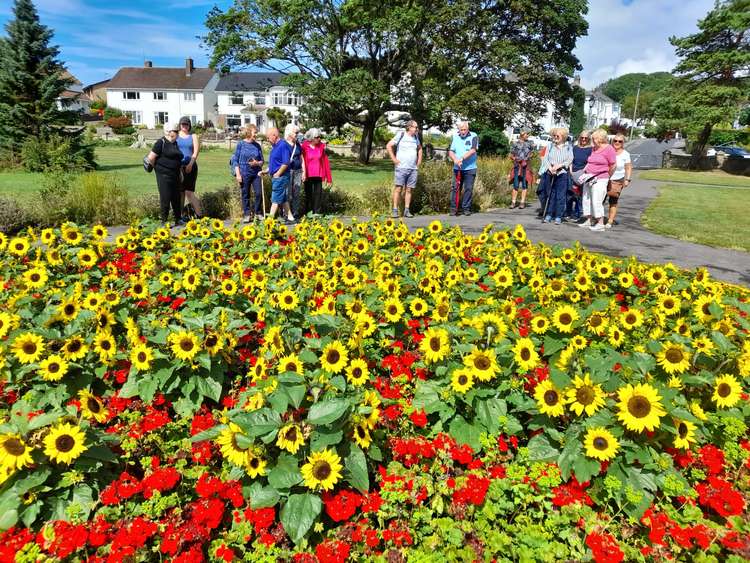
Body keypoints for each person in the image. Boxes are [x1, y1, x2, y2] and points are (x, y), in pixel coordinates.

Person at [577, 128, 616, 232]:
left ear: (600, 138)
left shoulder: (609, 149)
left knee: (596, 200)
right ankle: (589, 219)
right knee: (586, 199)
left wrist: (608, 175)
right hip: (589, 177)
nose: (592, 140)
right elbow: (590, 161)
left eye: (594, 138)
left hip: (600, 178)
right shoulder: (594, 148)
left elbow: (613, 165)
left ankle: (600, 222)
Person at [146, 122, 183, 226]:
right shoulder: (160, 143)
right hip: (164, 175)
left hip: (175, 174)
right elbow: (150, 158)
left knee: (176, 198)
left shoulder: (175, 143)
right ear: (168, 132)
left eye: (177, 131)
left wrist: (180, 172)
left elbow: (177, 159)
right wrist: (157, 170)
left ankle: (178, 219)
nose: (177, 133)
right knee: (165, 197)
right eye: (175, 131)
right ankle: (164, 221)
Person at [386, 120, 422, 218]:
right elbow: (389, 145)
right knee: (398, 189)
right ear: (409, 127)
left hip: (412, 169)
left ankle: (406, 210)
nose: (417, 129)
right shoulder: (401, 135)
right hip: (401, 168)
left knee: (409, 190)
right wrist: (394, 159)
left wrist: (419, 161)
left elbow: (419, 148)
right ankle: (395, 210)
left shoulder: (416, 137)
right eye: (416, 127)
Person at [538, 128, 573, 225]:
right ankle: (549, 214)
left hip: (562, 173)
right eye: (554, 135)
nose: (555, 137)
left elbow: (570, 159)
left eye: (558, 136)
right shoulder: (550, 146)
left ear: (563, 137)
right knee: (550, 195)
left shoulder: (569, 147)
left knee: (560, 196)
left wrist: (559, 165)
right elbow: (545, 158)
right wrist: (550, 168)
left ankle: (558, 216)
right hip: (550, 172)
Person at [232, 125, 264, 223]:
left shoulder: (257, 145)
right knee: (245, 194)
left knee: (258, 193)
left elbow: (262, 160)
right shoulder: (240, 144)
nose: (256, 134)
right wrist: (238, 174)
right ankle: (247, 214)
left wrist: (257, 163)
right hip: (244, 173)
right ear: (249, 132)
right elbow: (235, 160)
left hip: (256, 173)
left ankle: (258, 213)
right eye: (255, 132)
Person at [263, 126, 295, 223]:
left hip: (281, 177)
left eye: (268, 137)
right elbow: (275, 163)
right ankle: (290, 217)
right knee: (283, 198)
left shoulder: (283, 145)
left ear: (274, 135)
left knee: (275, 198)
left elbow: (285, 162)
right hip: (277, 176)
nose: (267, 140)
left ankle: (269, 221)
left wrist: (277, 173)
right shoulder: (275, 147)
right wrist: (266, 171)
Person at [448, 121, 479, 216]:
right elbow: (451, 151)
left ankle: (466, 208)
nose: (463, 131)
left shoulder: (474, 135)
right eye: (461, 130)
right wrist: (455, 160)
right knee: (455, 188)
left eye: (465, 129)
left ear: (468, 129)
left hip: (470, 168)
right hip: (458, 168)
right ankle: (454, 208)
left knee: (468, 188)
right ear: (459, 130)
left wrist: (462, 158)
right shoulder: (455, 137)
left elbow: (473, 150)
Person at [300, 128, 332, 216]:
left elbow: (325, 162)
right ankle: (308, 214)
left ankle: (316, 214)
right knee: (308, 195)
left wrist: (329, 178)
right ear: (311, 138)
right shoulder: (304, 146)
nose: (319, 139)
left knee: (318, 195)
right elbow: (301, 160)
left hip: (318, 174)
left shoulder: (321, 146)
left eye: (320, 137)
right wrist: (303, 173)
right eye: (317, 137)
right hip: (308, 175)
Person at [176, 117, 203, 219]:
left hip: (191, 166)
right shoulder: (176, 135)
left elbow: (196, 152)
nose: (184, 126)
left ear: (189, 125)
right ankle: (180, 216)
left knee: (189, 192)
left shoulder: (193, 136)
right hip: (179, 167)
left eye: (186, 124)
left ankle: (200, 216)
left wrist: (191, 164)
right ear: (180, 125)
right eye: (183, 124)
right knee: (180, 192)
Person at [606, 134, 632, 229]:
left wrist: (627, 179)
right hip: (605, 177)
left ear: (623, 143)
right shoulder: (608, 150)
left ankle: (610, 220)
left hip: (618, 179)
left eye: (620, 141)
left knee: (613, 201)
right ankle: (597, 218)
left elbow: (628, 167)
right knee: (600, 199)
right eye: (615, 141)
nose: (617, 143)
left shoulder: (626, 154)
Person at [566, 130, 592, 220]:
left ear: (589, 139)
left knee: (580, 195)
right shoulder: (575, 148)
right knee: (570, 194)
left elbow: (590, 162)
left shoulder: (590, 149)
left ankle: (579, 213)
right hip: (572, 172)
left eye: (586, 138)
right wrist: (571, 170)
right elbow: (570, 159)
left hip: (583, 174)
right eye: (582, 138)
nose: (583, 139)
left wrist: (583, 171)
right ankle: (568, 212)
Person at [509, 130, 535, 209]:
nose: (527, 135)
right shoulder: (515, 143)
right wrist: (515, 159)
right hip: (517, 165)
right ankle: (513, 202)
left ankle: (522, 202)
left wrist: (527, 158)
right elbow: (511, 154)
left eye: (528, 134)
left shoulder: (530, 143)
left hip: (526, 165)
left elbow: (532, 153)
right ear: (522, 134)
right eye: (526, 134)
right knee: (516, 184)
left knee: (524, 184)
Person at [285, 124, 305, 219]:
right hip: (287, 172)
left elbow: (301, 158)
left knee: (296, 192)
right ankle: (287, 213)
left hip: (298, 171)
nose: (297, 134)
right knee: (287, 193)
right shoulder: (284, 144)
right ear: (289, 133)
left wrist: (304, 171)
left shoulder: (298, 145)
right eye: (296, 132)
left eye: (298, 132)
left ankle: (295, 212)